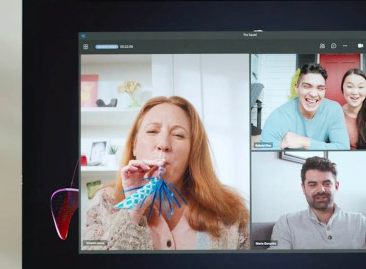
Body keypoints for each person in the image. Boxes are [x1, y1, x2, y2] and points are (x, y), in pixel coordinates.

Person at [83, 96, 250, 250]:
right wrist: (133, 210)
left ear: (193, 151)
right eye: (152, 131)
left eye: (178, 135)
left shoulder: (231, 211)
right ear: (134, 145)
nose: (163, 144)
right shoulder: (105, 202)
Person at [270, 156, 366, 250]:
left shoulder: (360, 222)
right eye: (312, 184)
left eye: (327, 183)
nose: (321, 190)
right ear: (303, 188)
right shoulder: (287, 223)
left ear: (336, 186)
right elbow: (275, 265)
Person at [259, 63, 349, 150]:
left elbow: (343, 148)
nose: (313, 94)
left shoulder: (333, 110)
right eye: (307, 86)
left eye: (320, 88)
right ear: (296, 88)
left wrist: (305, 142)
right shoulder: (278, 117)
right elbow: (264, 148)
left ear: (324, 91)